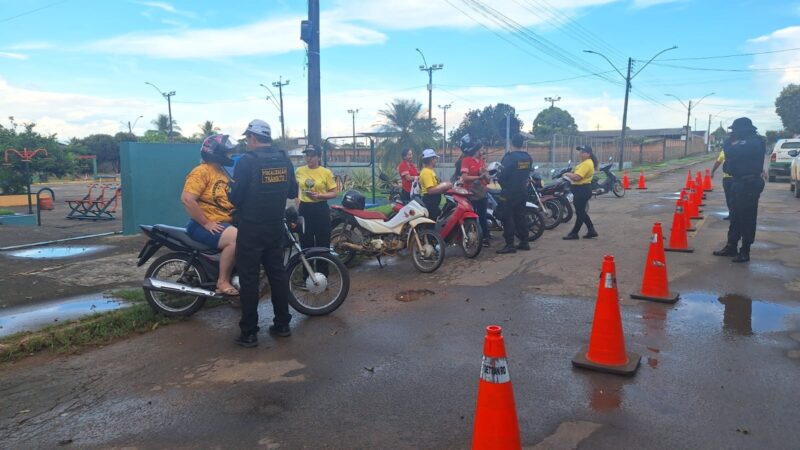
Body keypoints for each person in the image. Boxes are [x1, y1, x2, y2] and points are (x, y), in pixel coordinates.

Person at [228, 119, 298, 348]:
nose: (247, 142)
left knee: (249, 279)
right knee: (277, 275)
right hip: (275, 227)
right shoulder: (284, 160)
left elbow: (235, 197)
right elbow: (292, 192)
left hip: (251, 228)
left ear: (253, 138)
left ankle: (249, 333)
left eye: (247, 138)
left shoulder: (247, 162)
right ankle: (283, 325)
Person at [181, 134, 239, 296]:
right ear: (217, 153)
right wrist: (206, 223)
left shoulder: (222, 171)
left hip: (223, 223)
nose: (231, 155)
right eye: (228, 152)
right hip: (202, 225)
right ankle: (222, 281)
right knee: (236, 238)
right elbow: (187, 199)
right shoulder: (201, 171)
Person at [712, 117, 766, 263]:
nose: (732, 133)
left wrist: (730, 142)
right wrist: (731, 142)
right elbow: (730, 151)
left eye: (734, 130)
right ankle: (731, 246)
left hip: (749, 184)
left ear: (742, 130)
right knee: (735, 216)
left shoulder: (755, 142)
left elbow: (731, 152)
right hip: (737, 182)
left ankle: (745, 250)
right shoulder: (741, 141)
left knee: (747, 218)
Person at [295, 145, 337, 269]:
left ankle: (322, 274)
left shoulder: (326, 172)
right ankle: (307, 275)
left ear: (319, 157)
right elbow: (297, 189)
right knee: (305, 242)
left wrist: (320, 196)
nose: (309, 158)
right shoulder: (299, 171)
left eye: (312, 155)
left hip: (320, 208)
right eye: (307, 155)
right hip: (305, 209)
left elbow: (334, 193)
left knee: (322, 242)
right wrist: (298, 202)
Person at [496, 134, 532, 254]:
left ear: (512, 143)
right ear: (522, 143)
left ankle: (510, 244)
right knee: (520, 216)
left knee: (508, 217)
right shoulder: (527, 157)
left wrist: (504, 186)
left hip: (509, 192)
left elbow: (501, 175)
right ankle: (524, 241)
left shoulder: (509, 158)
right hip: (522, 191)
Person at [459, 134, 491, 247]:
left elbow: (487, 177)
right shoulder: (466, 160)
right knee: (471, 217)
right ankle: (470, 237)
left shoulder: (481, 161)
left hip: (482, 193)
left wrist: (486, 176)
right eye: (481, 148)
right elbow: (464, 177)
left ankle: (485, 237)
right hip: (470, 194)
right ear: (476, 150)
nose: (482, 150)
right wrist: (479, 176)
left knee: (482, 216)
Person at [563, 145, 598, 240]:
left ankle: (574, 233)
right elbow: (575, 173)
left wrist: (567, 174)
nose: (580, 153)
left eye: (583, 152)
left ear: (588, 154)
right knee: (581, 211)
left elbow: (577, 177)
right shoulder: (584, 163)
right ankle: (591, 230)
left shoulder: (587, 163)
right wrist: (571, 172)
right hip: (581, 190)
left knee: (580, 212)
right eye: (580, 151)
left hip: (582, 190)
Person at [418, 148, 452, 220]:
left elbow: (436, 186)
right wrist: (444, 186)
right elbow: (430, 190)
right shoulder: (426, 172)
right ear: (432, 159)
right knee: (431, 223)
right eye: (435, 158)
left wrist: (444, 188)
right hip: (430, 202)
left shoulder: (430, 171)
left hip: (433, 202)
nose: (436, 160)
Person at [710, 148, 733, 220]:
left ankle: (737, 214)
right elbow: (718, 161)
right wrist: (712, 171)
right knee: (728, 197)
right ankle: (731, 214)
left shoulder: (740, 148)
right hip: (727, 178)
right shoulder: (724, 150)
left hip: (737, 178)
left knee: (736, 197)